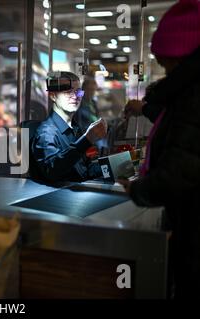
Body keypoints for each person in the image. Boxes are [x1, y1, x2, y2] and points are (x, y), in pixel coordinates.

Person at [118, 0, 200, 298]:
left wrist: (139, 190)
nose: (162, 68)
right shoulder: (187, 94)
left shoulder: (192, 94)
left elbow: (182, 168)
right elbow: (182, 129)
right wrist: (147, 108)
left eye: (164, 60)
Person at [30, 71, 107, 184]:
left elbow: (85, 171)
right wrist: (86, 140)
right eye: (67, 91)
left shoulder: (75, 129)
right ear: (53, 95)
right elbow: (53, 170)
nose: (75, 96)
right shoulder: (47, 133)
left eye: (78, 92)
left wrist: (114, 166)